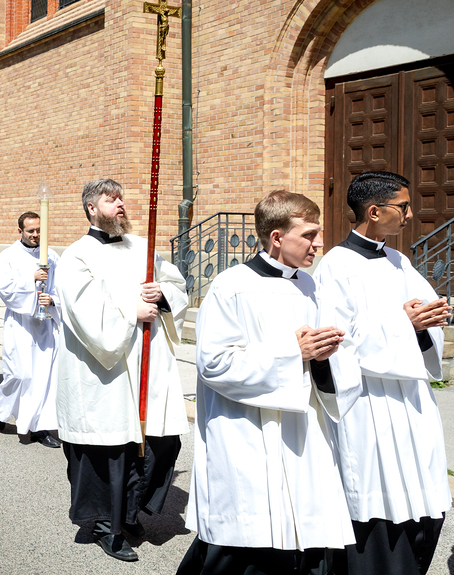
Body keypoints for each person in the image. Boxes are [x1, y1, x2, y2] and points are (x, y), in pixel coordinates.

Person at [177, 191, 358, 575]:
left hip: (302, 434)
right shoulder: (231, 286)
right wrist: (294, 352)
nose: (318, 243)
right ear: (277, 237)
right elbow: (214, 364)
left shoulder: (309, 286)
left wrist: (322, 357)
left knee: (300, 542)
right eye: (308, 235)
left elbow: (322, 359)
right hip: (248, 434)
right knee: (242, 550)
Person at [314, 171, 451, 575]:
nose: (410, 215)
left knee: (423, 495)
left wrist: (427, 322)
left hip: (411, 400)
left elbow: (421, 318)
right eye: (403, 207)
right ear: (374, 212)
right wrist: (404, 325)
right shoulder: (335, 266)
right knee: (377, 496)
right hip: (368, 402)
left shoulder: (399, 261)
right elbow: (337, 340)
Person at [56, 178, 188, 562]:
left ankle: (128, 513)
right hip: (104, 370)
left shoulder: (143, 247)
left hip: (148, 363)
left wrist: (163, 294)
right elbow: (83, 310)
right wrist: (133, 311)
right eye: (110, 199)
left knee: (159, 441)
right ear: (91, 208)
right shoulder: (76, 256)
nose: (120, 205)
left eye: (121, 199)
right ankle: (103, 525)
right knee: (108, 450)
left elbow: (175, 283)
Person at [0, 211, 61, 448]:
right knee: (19, 375)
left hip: (45, 324)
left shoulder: (51, 255)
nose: (35, 235)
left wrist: (52, 300)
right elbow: (5, 290)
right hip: (20, 323)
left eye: (39, 230)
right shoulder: (9, 256)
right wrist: (31, 278)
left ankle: (39, 427)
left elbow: (61, 287)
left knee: (43, 376)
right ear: (20, 230)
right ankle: (1, 410)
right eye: (30, 231)